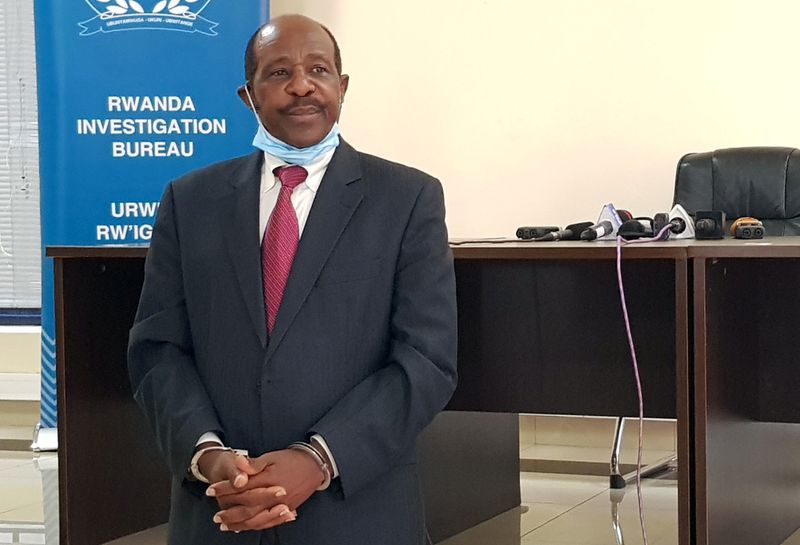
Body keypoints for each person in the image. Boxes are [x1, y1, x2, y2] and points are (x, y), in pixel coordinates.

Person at [127, 13, 457, 545]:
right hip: (221, 509)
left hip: (356, 514)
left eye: (318, 70)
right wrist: (208, 455)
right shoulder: (189, 202)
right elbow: (157, 349)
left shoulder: (407, 198)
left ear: (342, 87)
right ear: (249, 96)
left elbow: (426, 359)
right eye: (279, 73)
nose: (302, 85)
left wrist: (318, 458)